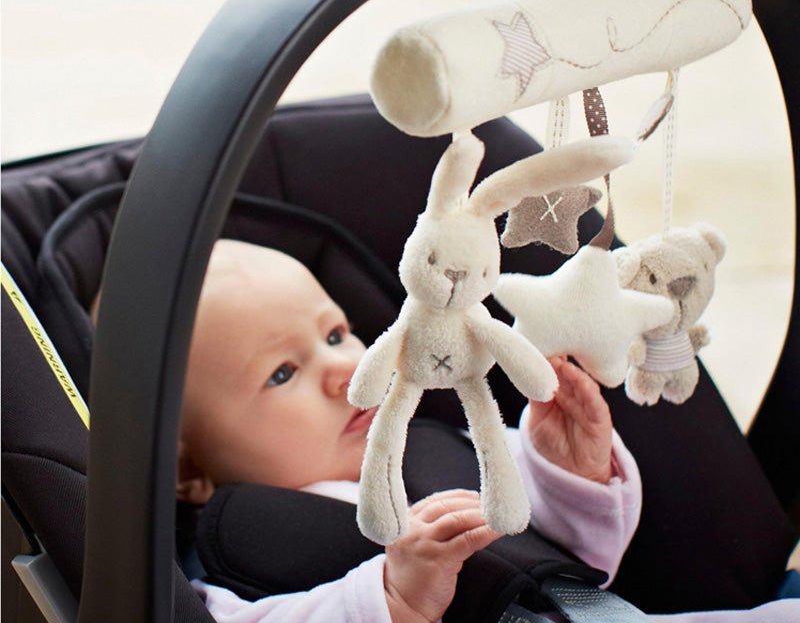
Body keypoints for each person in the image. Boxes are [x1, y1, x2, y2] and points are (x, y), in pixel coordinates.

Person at [167, 239, 798, 623]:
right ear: (190, 471)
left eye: (335, 335)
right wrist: (395, 598)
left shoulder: (450, 451)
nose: (344, 368)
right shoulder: (226, 567)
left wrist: (569, 474)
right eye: (282, 372)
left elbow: (582, 565)